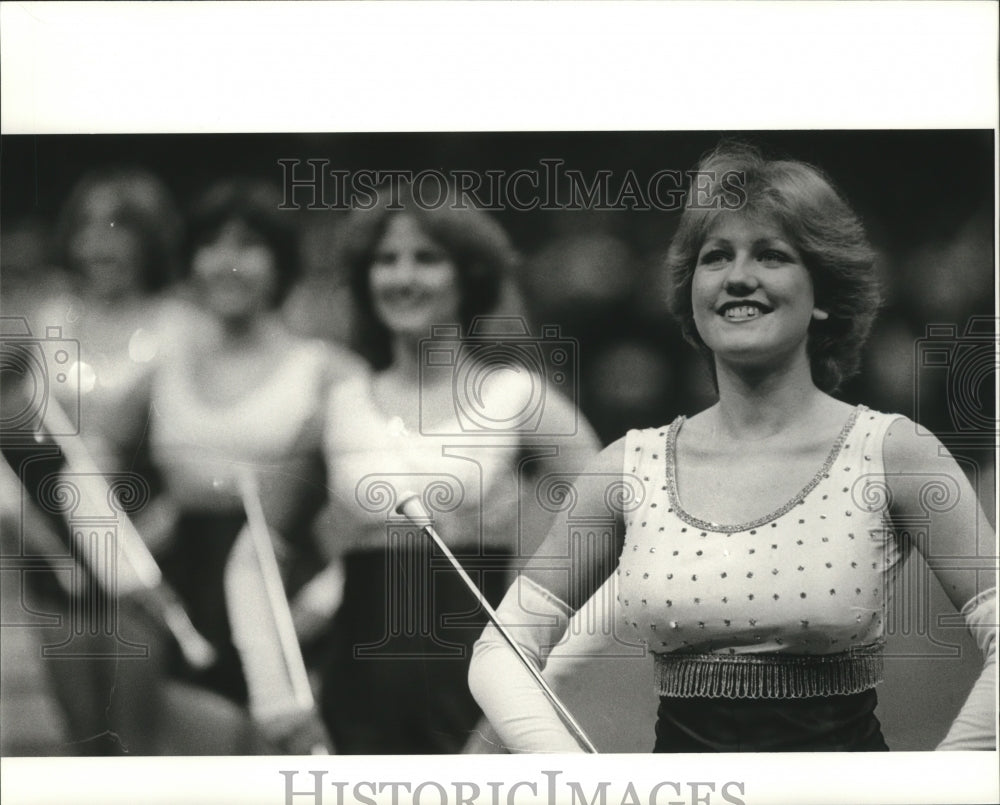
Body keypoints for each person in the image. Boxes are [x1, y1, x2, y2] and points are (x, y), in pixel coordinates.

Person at [468, 143, 997, 753]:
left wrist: (943, 782)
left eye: (771, 254)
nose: (738, 275)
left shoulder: (893, 452)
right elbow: (500, 653)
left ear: (823, 292)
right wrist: (576, 780)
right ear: (693, 295)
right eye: (716, 257)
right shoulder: (630, 466)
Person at [294, 182, 603, 753]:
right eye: (386, 259)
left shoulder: (516, 396)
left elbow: (614, 526)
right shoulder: (338, 402)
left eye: (426, 258)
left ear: (470, 275)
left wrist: (529, 680)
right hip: (353, 693)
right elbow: (268, 541)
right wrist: (289, 681)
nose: (403, 277)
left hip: (475, 695)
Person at [142, 178, 364, 753]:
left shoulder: (326, 372)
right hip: (185, 611)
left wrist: (315, 609)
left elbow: (373, 507)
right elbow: (78, 452)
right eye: (211, 244)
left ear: (282, 263)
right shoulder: (162, 366)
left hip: (286, 600)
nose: (227, 262)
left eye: (248, 245)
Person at [1, 167, 187, 755]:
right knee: (83, 740)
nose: (101, 242)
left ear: (150, 238)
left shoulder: (182, 325)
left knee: (137, 741)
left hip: (148, 545)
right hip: (56, 552)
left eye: (121, 226)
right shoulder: (42, 320)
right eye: (88, 226)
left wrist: (166, 521)